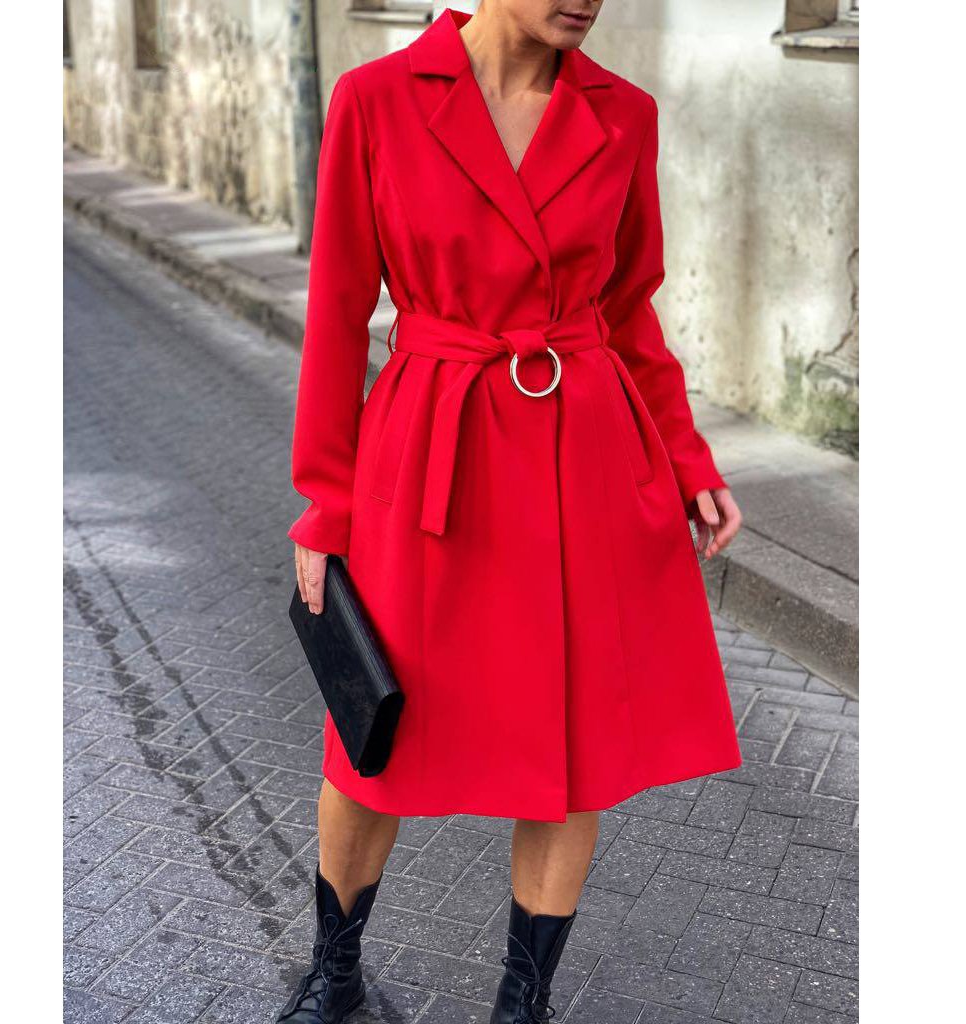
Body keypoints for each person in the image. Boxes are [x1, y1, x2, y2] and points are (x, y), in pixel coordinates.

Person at [281, 3, 744, 1021]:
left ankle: (521, 1003)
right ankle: (334, 968)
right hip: (429, 452)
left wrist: (684, 454)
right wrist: (325, 500)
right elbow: (338, 307)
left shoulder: (622, 114)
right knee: (370, 733)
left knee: (570, 749)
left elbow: (628, 308)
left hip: (584, 455)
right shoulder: (376, 100)